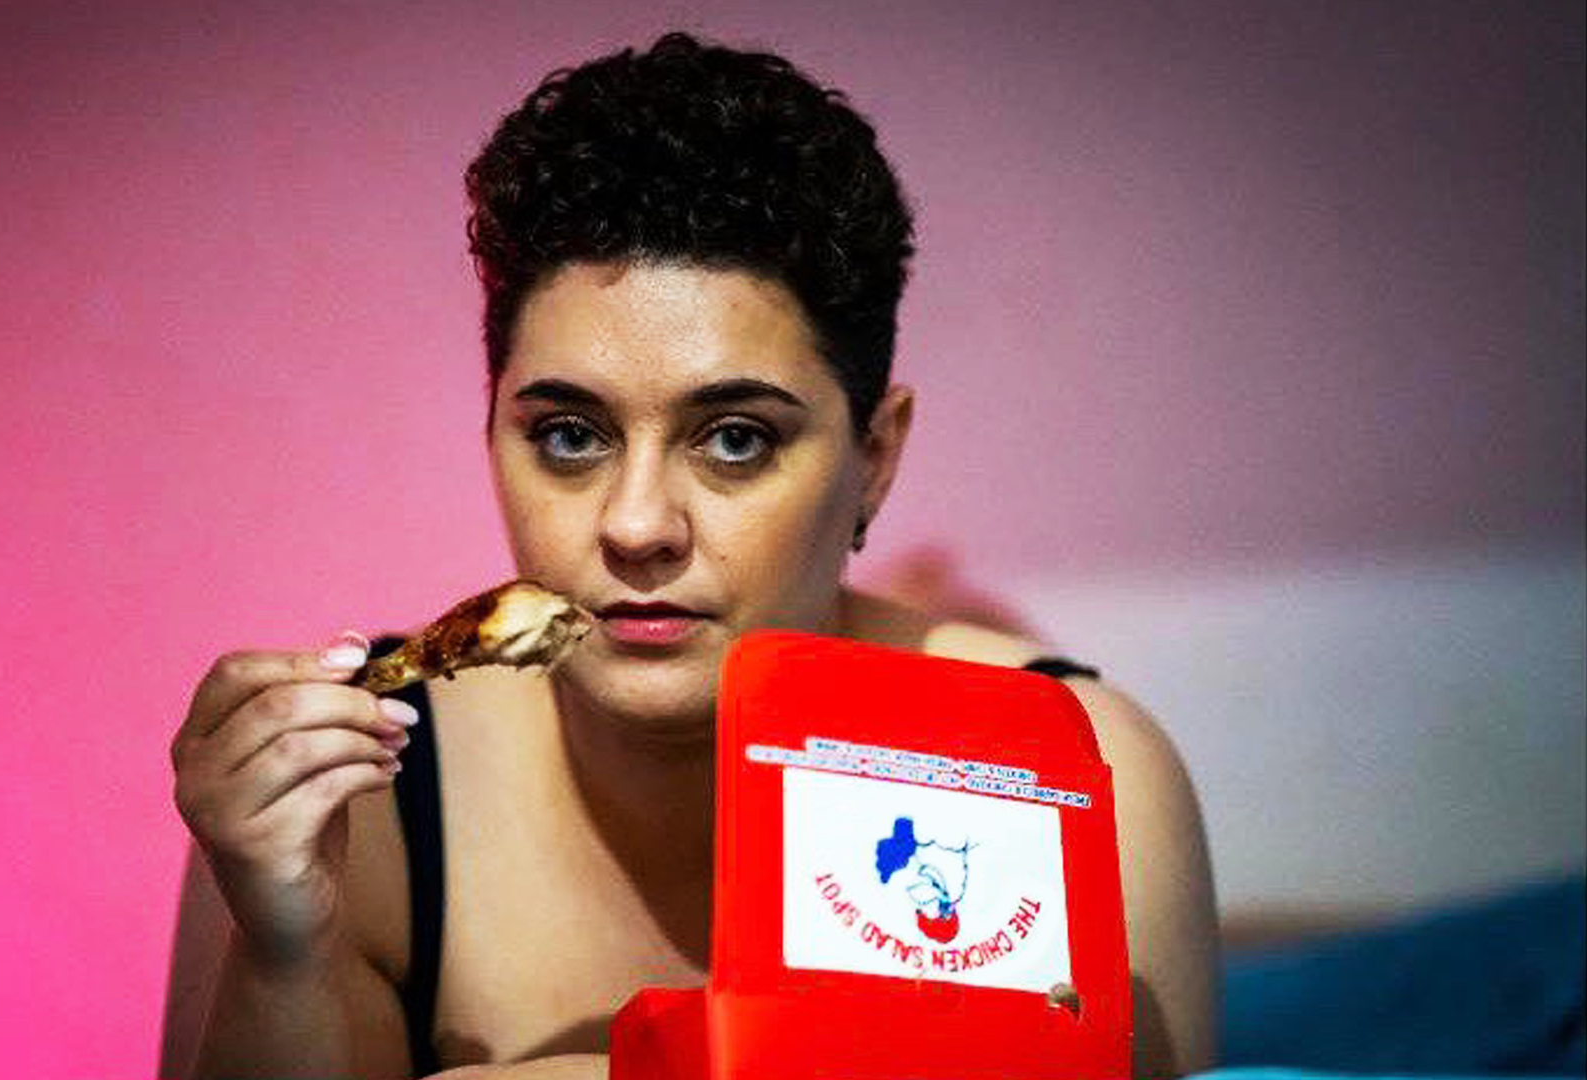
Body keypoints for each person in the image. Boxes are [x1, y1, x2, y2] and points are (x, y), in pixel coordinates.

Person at [163, 32, 1218, 1079]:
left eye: (735, 440)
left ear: (876, 460)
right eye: (571, 435)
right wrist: (282, 959)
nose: (635, 525)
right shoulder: (347, 803)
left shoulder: (1084, 785)